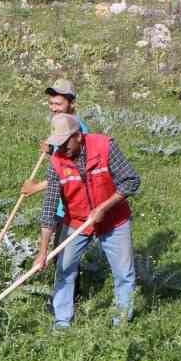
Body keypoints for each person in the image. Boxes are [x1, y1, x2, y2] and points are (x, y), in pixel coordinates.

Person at [33, 113, 141, 329]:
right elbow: (49, 208)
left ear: (78, 136)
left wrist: (103, 207)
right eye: (58, 144)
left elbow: (131, 180)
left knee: (123, 273)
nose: (62, 149)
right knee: (64, 269)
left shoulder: (105, 147)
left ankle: (121, 323)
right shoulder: (56, 162)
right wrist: (43, 252)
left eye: (65, 143)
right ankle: (62, 321)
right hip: (76, 221)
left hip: (113, 220)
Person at [22, 79, 90, 225]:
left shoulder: (78, 131)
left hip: (72, 204)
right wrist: (52, 150)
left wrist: (35, 188)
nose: (53, 108)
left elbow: (72, 172)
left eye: (58, 104)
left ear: (72, 104)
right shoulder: (60, 124)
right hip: (60, 200)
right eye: (51, 103)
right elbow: (62, 160)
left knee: (63, 246)